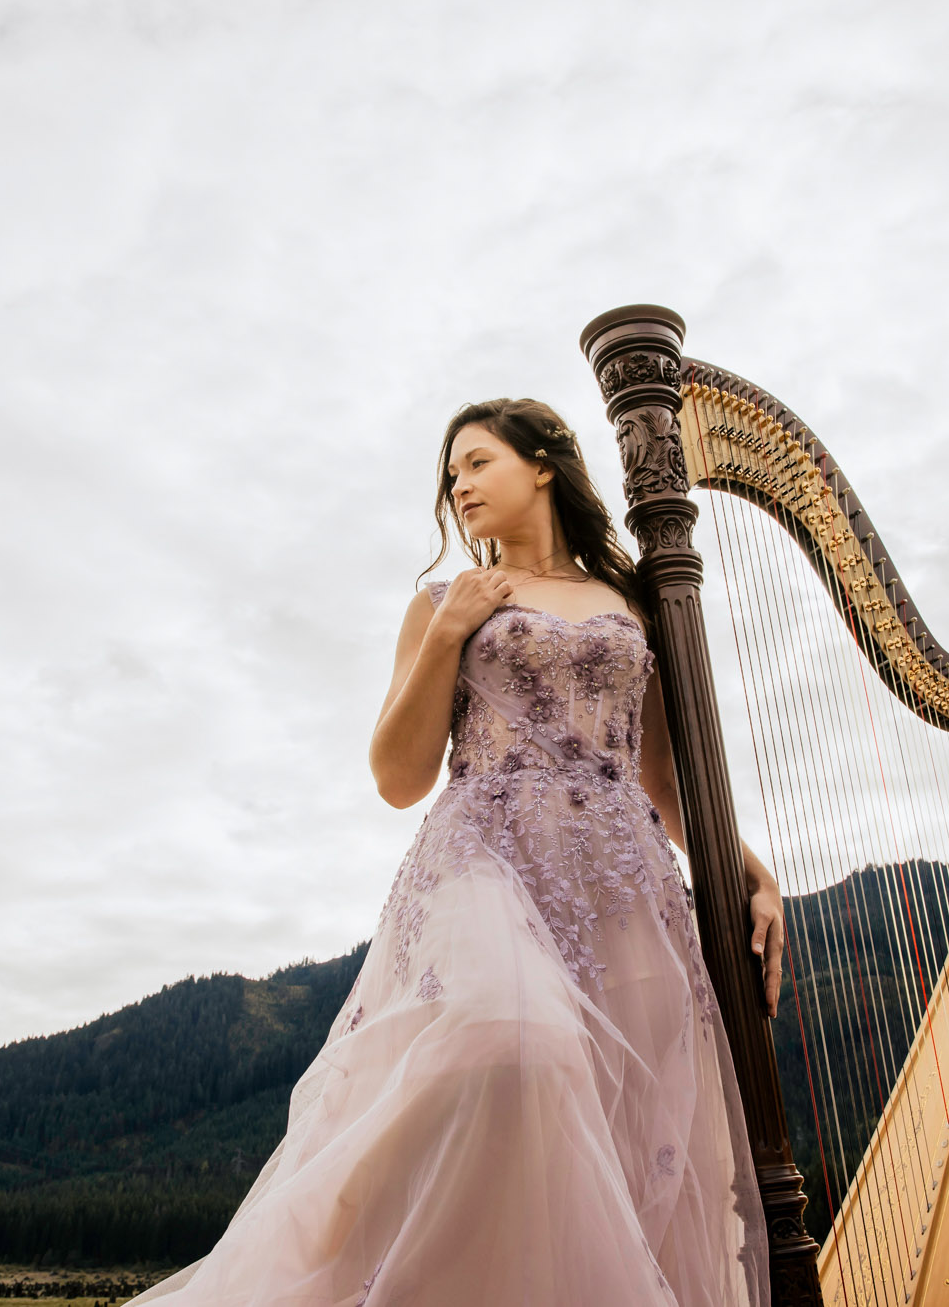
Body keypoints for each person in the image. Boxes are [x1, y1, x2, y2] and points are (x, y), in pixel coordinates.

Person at [130, 398, 786, 1307]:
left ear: (544, 463)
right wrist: (448, 631)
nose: (460, 487)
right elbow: (398, 776)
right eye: (451, 476)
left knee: (637, 1130)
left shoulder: (634, 601)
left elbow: (665, 780)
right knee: (511, 1040)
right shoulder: (444, 601)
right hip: (488, 855)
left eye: (477, 463)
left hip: (625, 877)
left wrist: (752, 870)